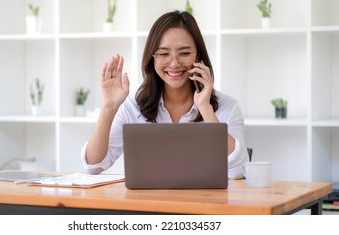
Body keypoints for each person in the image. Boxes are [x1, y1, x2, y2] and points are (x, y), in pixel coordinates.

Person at [81, 11, 249, 179]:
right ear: (152, 58)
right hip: (146, 204)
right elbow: (94, 166)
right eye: (163, 54)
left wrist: (205, 108)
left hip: (203, 204)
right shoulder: (134, 104)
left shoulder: (228, 107)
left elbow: (238, 171)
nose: (174, 64)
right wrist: (109, 107)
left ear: (198, 55)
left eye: (184, 53)